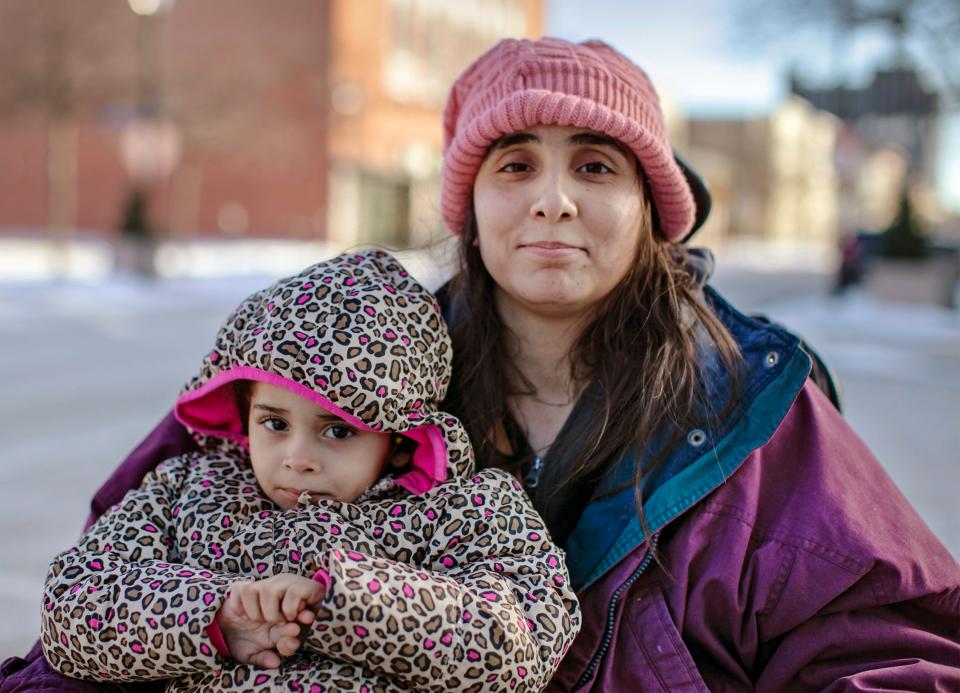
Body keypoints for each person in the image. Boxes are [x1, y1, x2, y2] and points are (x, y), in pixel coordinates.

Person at [3, 36, 959, 692]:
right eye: (514, 165)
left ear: (653, 208)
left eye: (594, 165)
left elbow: (889, 647)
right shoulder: (328, 360)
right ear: (469, 204)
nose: (550, 199)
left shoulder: (752, 413)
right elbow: (98, 608)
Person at [38, 249, 580, 692]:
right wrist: (214, 615)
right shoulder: (188, 488)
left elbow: (525, 641)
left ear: (398, 439)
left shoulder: (464, 510)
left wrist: (345, 602)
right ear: (244, 408)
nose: (296, 456)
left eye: (338, 430)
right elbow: (72, 603)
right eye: (273, 423)